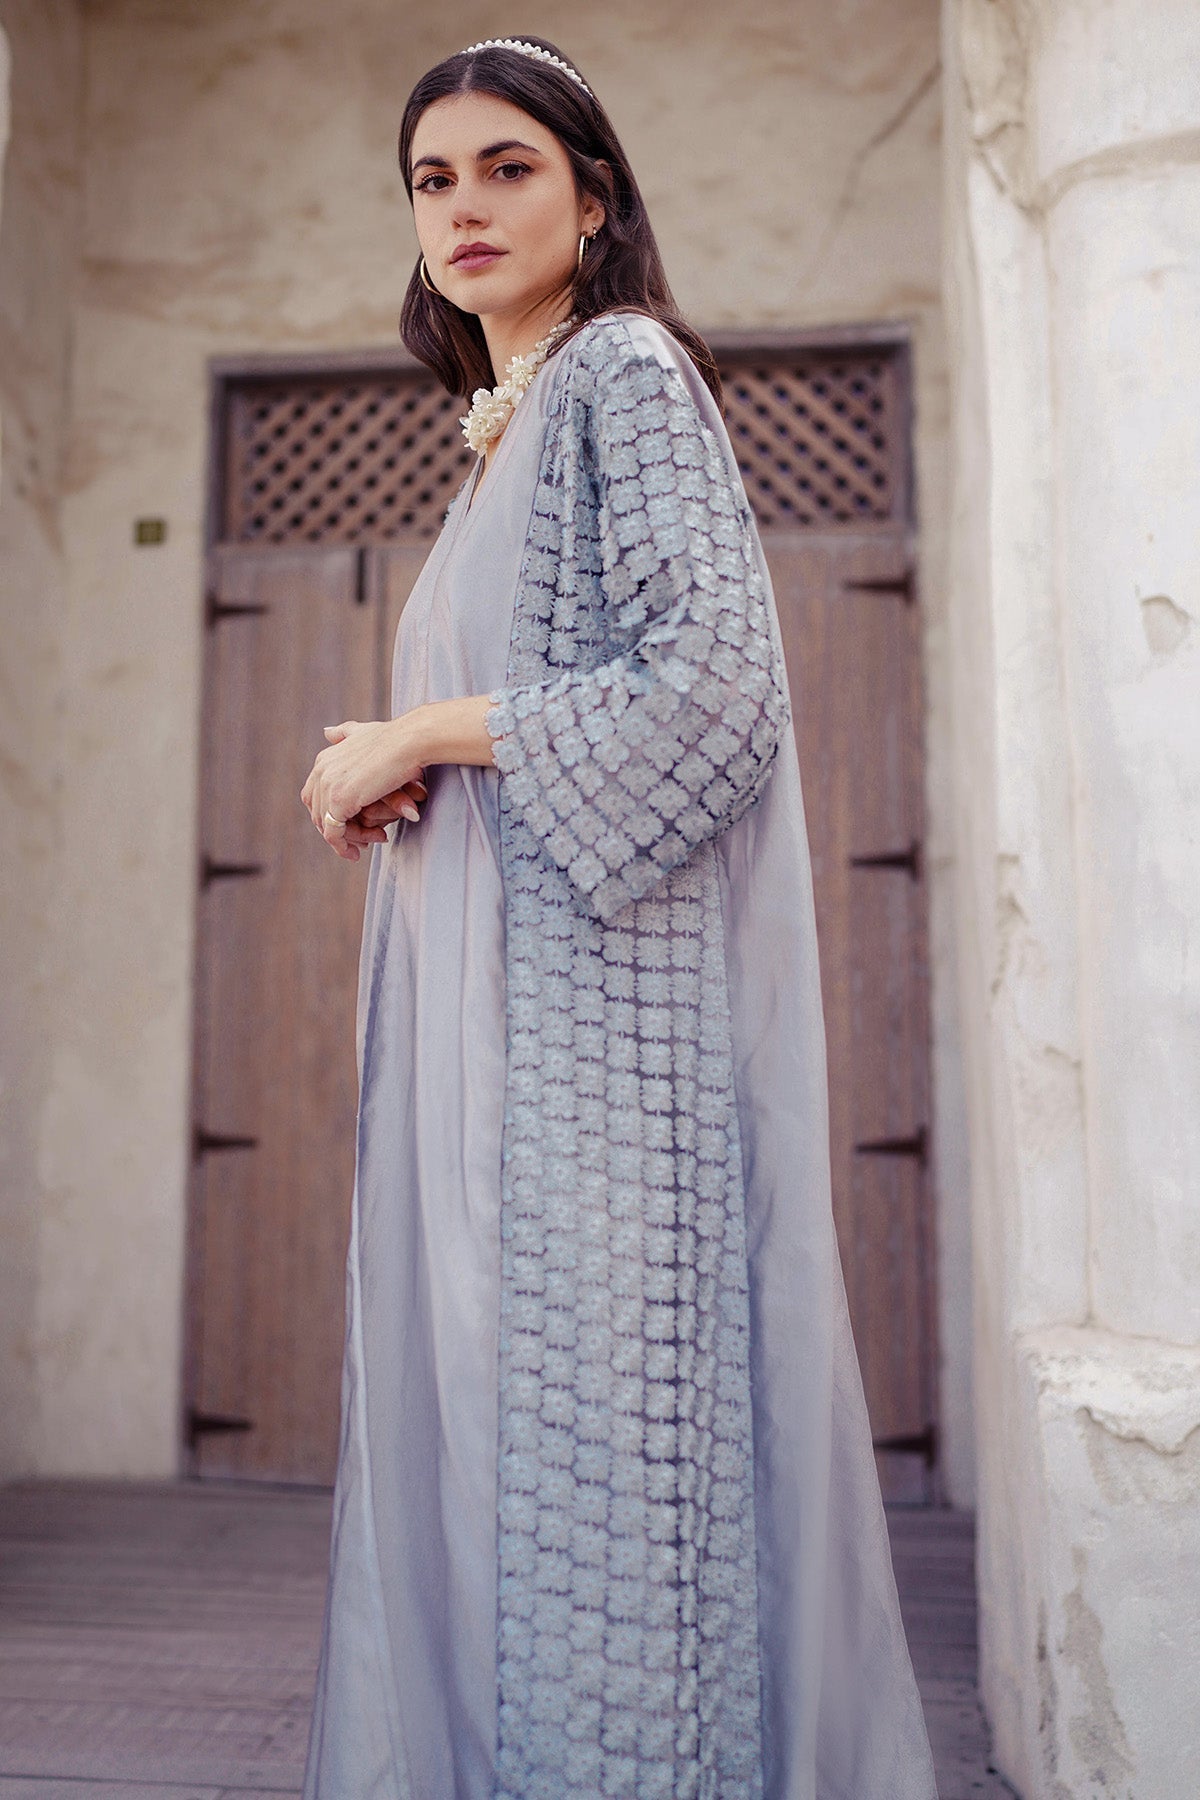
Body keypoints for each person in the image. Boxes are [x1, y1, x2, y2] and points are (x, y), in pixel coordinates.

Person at [299, 33, 940, 1800]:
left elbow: (712, 695)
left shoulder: (624, 375)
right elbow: (545, 711)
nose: (464, 206)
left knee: (601, 1470)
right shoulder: (502, 437)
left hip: (599, 1053)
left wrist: (432, 728)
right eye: (432, 179)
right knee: (505, 1452)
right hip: (498, 1035)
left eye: (508, 167)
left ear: (594, 201)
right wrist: (397, 770)